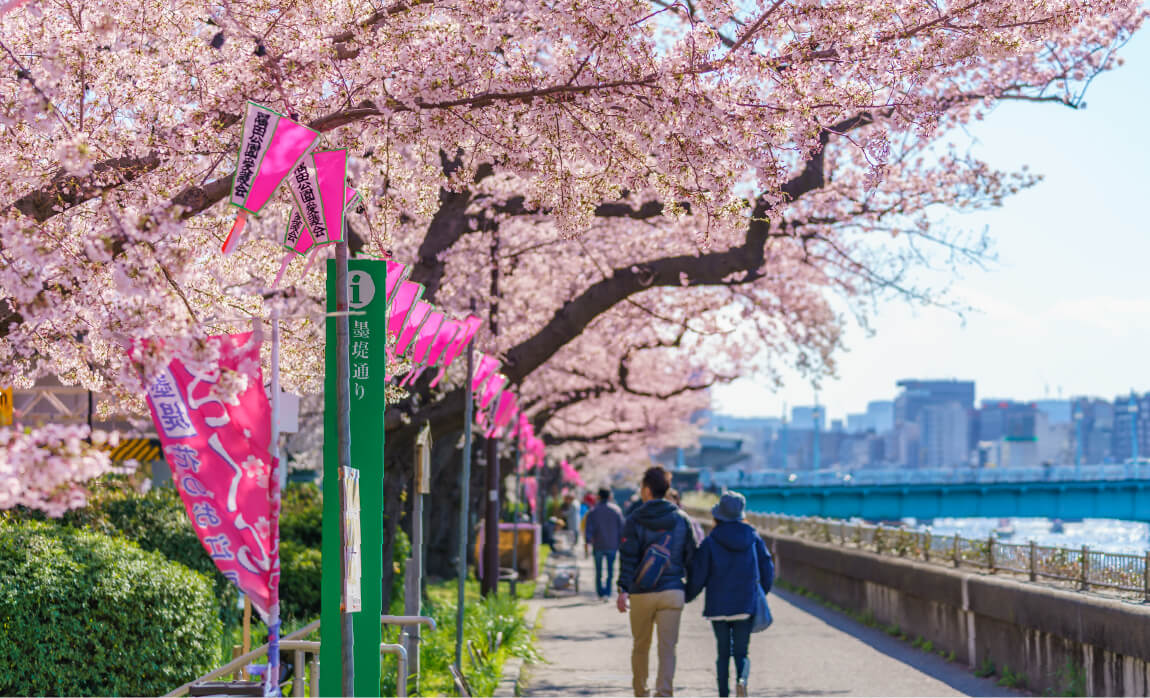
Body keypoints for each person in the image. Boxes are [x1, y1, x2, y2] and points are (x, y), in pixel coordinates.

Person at [617, 466, 700, 697]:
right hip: (672, 590)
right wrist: (687, 591)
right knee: (667, 649)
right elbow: (692, 558)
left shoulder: (634, 519)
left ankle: (641, 692)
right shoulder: (682, 519)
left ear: (646, 490)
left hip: (641, 592)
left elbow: (628, 556)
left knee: (640, 645)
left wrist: (623, 589)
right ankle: (664, 692)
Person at [686, 491, 774, 698]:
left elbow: (699, 574)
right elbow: (767, 567)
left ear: (719, 516)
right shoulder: (753, 538)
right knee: (742, 653)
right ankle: (741, 681)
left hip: (718, 606)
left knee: (722, 654)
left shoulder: (710, 542)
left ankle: (723, 694)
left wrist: (687, 594)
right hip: (745, 604)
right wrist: (761, 593)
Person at [584, 487, 625, 601]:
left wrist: (587, 542)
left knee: (598, 571)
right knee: (610, 571)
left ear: (599, 496)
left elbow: (589, 529)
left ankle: (600, 593)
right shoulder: (616, 510)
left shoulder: (593, 511)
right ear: (610, 496)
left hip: (598, 545)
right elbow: (622, 529)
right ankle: (607, 592)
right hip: (612, 545)